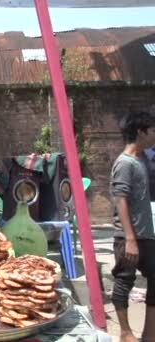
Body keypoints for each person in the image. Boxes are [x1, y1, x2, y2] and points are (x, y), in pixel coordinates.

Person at [110, 111, 155, 342]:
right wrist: (130, 239)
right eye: (153, 129)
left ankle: (149, 334)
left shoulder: (142, 159)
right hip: (128, 237)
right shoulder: (124, 163)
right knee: (124, 280)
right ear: (141, 132)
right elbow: (120, 199)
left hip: (146, 235)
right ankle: (126, 333)